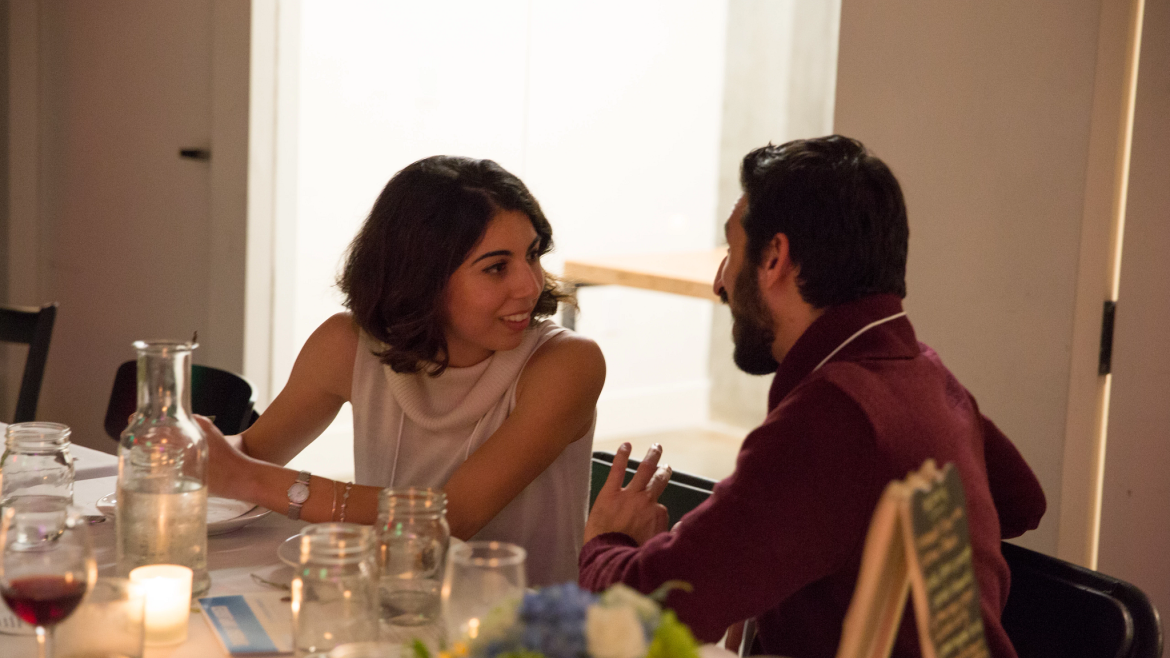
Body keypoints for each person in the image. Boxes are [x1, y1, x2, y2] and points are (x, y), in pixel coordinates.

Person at [579, 136, 1046, 657]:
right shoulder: (922, 371)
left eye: (732, 252)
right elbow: (1023, 502)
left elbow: (647, 612)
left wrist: (605, 541)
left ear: (775, 257)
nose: (720, 282)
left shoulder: (835, 417)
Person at [202, 155, 605, 585]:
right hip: (386, 608)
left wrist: (251, 479)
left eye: (533, 255)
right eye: (497, 267)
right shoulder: (347, 344)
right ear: (422, 275)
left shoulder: (566, 364)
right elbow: (248, 454)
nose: (529, 285)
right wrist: (189, 446)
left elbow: (448, 521)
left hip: (514, 638)